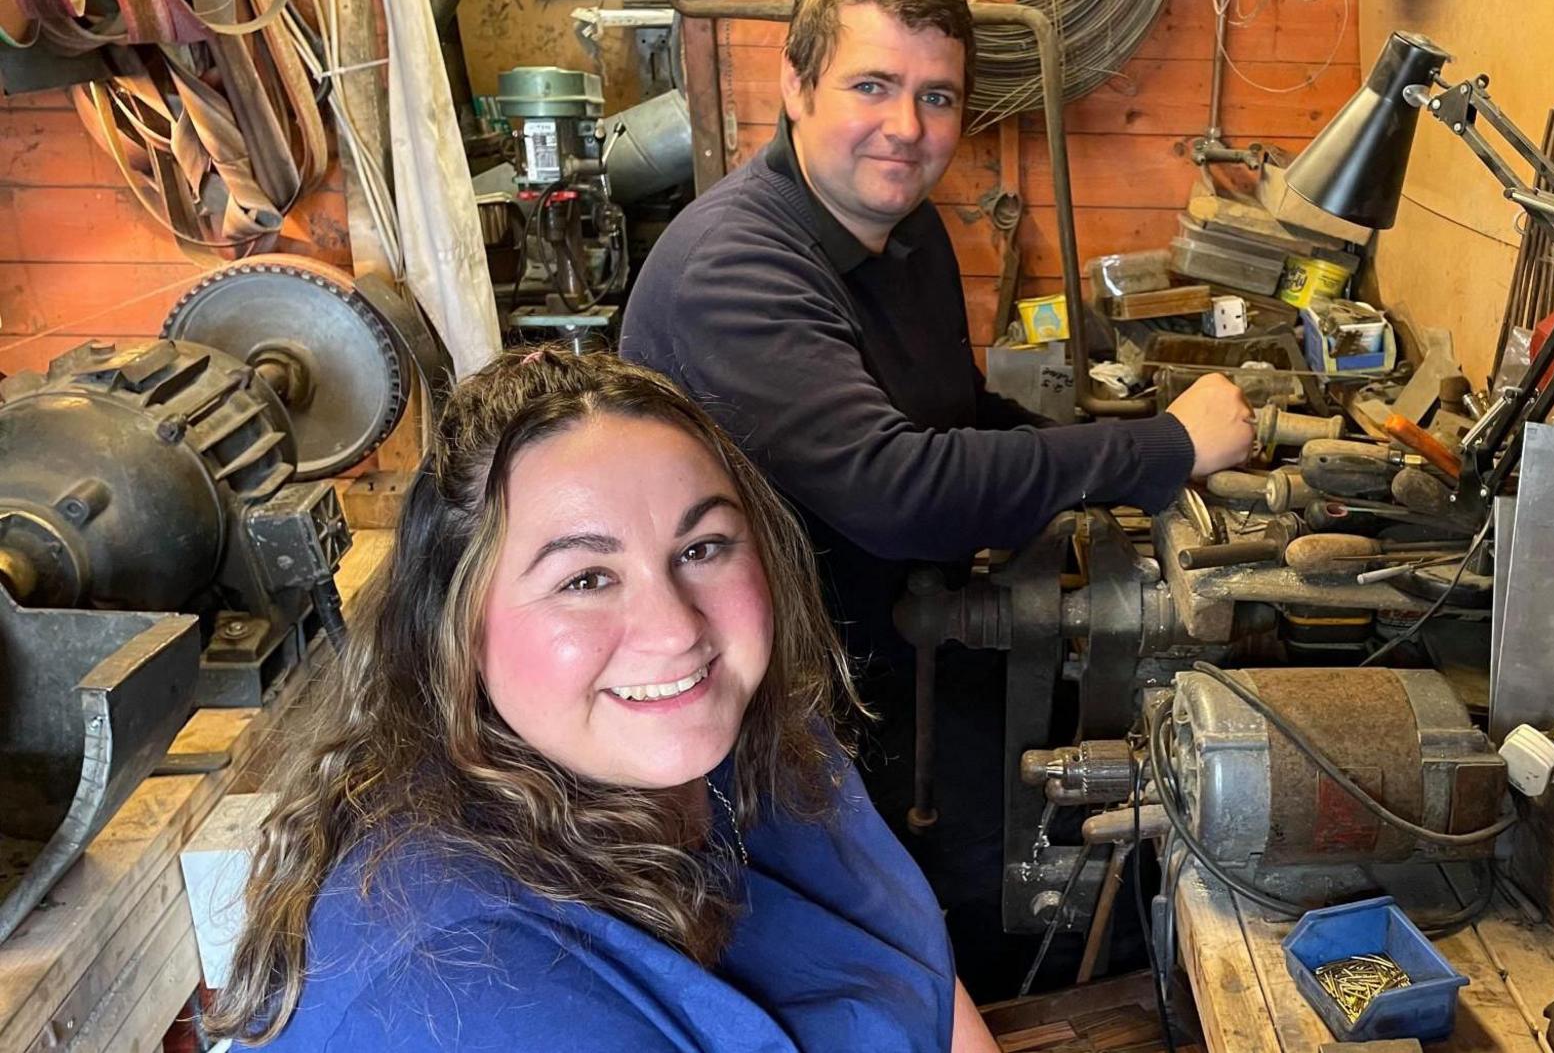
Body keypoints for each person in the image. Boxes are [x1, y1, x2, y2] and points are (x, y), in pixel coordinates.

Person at [620, 0, 1256, 993]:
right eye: (872, 85)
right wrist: (1163, 447)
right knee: (921, 946)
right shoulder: (732, 267)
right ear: (793, 83)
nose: (907, 129)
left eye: (938, 98)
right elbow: (896, 487)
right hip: (767, 737)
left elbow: (959, 413)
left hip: (898, 659)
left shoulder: (903, 235)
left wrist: (1118, 462)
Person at [205, 348, 999, 1052]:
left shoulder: (748, 740)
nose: (675, 629)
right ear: (456, 632)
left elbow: (915, 969)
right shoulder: (461, 985)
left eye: (702, 547)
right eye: (585, 579)